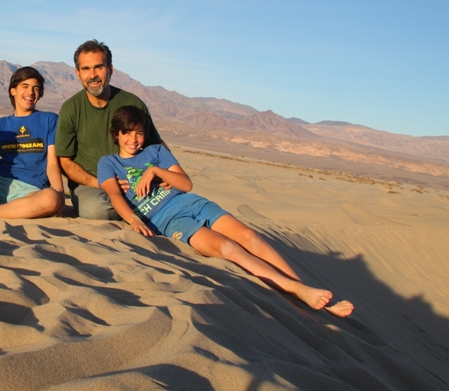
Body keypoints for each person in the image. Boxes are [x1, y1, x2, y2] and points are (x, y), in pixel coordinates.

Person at [98, 105, 354, 317]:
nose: (133, 139)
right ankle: (296, 293)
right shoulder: (109, 163)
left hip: (192, 203)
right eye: (127, 133)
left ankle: (301, 289)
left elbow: (185, 184)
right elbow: (113, 194)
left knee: (250, 237)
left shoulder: (156, 151)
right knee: (228, 248)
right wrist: (132, 217)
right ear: (116, 135)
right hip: (168, 220)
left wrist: (154, 170)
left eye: (139, 133)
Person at [55, 39, 164, 220]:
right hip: (92, 186)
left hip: (134, 182)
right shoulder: (71, 108)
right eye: (86, 69)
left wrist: (169, 174)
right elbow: (65, 162)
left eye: (99, 67)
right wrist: (100, 182)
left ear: (110, 69)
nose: (93, 75)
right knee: (96, 210)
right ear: (77, 73)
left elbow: (157, 145)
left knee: (174, 201)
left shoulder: (133, 103)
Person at [0, 67, 64, 218]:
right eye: (25, 86)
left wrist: (59, 192)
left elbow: (52, 163)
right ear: (13, 91)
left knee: (51, 199)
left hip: (30, 189)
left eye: (36, 88)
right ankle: (3, 210)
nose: (31, 92)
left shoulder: (49, 120)